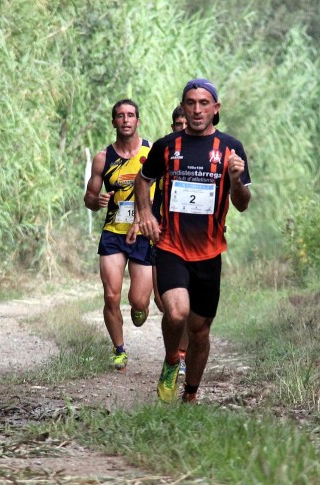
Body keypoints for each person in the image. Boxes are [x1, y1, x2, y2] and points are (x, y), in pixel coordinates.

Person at [131, 79, 252, 403]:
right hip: (172, 246)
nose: (197, 109)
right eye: (190, 103)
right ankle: (172, 360)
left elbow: (242, 203)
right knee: (177, 313)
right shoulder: (167, 146)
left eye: (203, 103)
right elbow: (143, 181)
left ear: (215, 109)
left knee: (200, 331)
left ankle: (190, 395)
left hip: (210, 253)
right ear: (183, 107)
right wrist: (145, 213)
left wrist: (236, 180)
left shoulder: (231, 148)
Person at [84, 99, 155, 371]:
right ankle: (119, 349)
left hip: (144, 232)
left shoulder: (151, 152)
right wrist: (96, 200)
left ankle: (140, 308)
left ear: (138, 121)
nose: (125, 120)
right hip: (114, 232)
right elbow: (89, 198)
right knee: (111, 296)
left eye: (130, 115)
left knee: (138, 301)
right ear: (113, 122)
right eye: (120, 116)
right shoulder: (103, 158)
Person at [150, 106, 190, 375]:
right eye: (178, 123)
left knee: (192, 310)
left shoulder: (211, 157)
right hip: (167, 242)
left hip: (201, 245)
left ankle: (183, 358)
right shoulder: (164, 157)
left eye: (186, 122)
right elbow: (154, 207)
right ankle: (173, 357)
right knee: (171, 307)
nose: (183, 127)